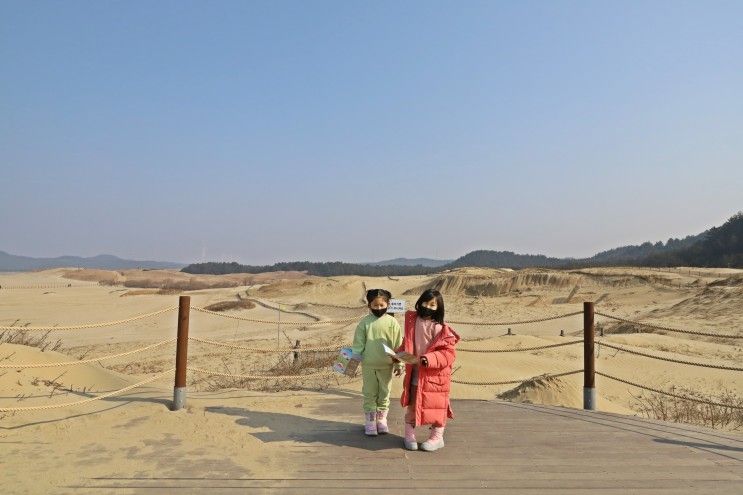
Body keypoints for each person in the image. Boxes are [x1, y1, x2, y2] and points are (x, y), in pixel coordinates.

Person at [396, 288, 459, 451]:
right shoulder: (412, 322)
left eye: (432, 305)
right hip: (414, 375)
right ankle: (409, 435)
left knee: (436, 408)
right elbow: (408, 344)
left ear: (439, 308)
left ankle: (437, 437)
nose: (428, 307)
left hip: (435, 377)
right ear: (419, 302)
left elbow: (448, 354)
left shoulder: (441, 329)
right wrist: (397, 354)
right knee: (411, 405)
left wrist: (428, 359)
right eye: (425, 302)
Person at [351, 288, 403, 436]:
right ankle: (370, 421)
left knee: (384, 393)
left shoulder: (393, 323)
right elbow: (358, 344)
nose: (379, 308)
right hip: (368, 365)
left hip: (386, 365)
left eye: (382, 305)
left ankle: (381, 420)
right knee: (369, 393)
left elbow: (398, 345)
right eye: (375, 306)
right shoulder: (364, 323)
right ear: (369, 306)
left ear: (387, 304)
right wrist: (354, 361)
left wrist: (399, 363)